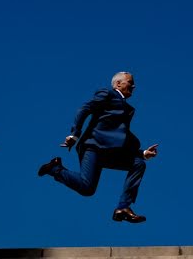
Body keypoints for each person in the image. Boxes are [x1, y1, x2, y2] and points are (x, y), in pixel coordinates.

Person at [38, 71, 159, 223]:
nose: (133, 86)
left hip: (108, 152)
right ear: (118, 84)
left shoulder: (128, 109)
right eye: (130, 82)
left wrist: (142, 153)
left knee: (138, 164)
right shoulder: (107, 93)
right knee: (87, 188)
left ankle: (123, 207)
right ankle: (55, 168)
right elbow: (85, 109)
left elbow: (119, 137)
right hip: (93, 147)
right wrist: (75, 134)